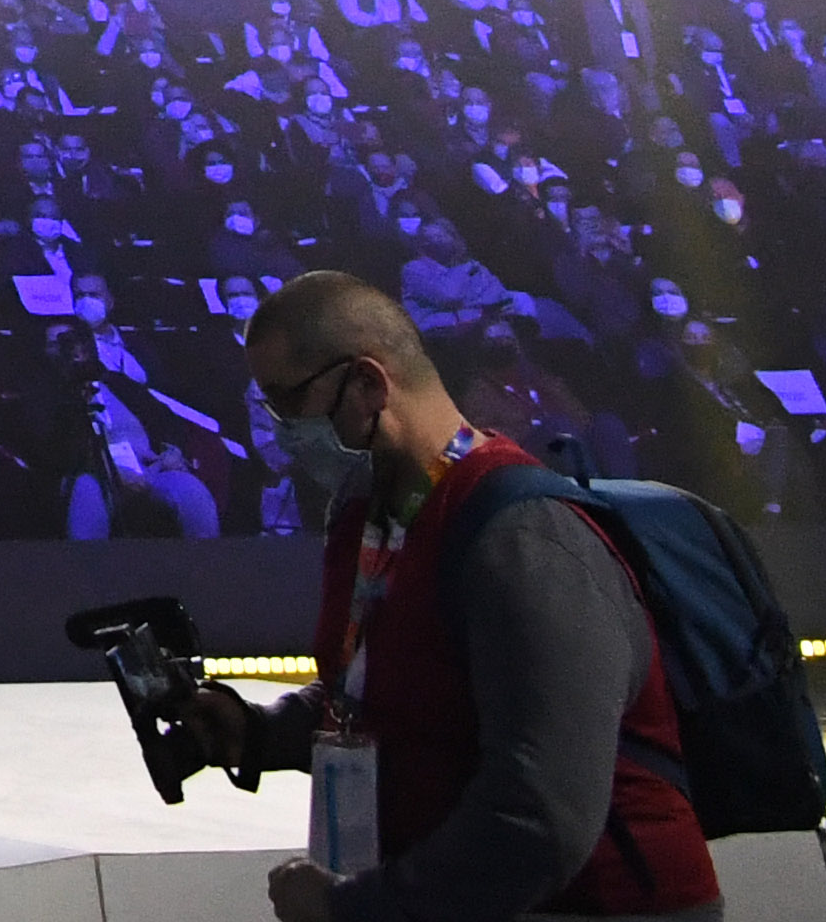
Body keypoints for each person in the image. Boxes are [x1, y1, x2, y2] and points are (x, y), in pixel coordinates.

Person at [189, 273, 719, 922]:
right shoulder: (365, 510)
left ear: (367, 386)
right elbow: (386, 692)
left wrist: (354, 909)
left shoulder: (522, 534)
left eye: (285, 403)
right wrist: (259, 732)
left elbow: (540, 818)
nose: (276, 429)